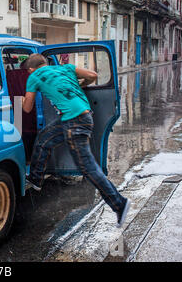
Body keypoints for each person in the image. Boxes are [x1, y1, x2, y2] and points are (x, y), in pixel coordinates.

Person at [20, 53, 130, 228]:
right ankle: (35, 179)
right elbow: (93, 76)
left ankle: (119, 203)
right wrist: (80, 85)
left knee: (88, 168)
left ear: (31, 69)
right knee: (44, 138)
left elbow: (27, 108)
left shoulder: (34, 76)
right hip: (80, 116)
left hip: (74, 122)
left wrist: (20, 100)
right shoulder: (65, 68)